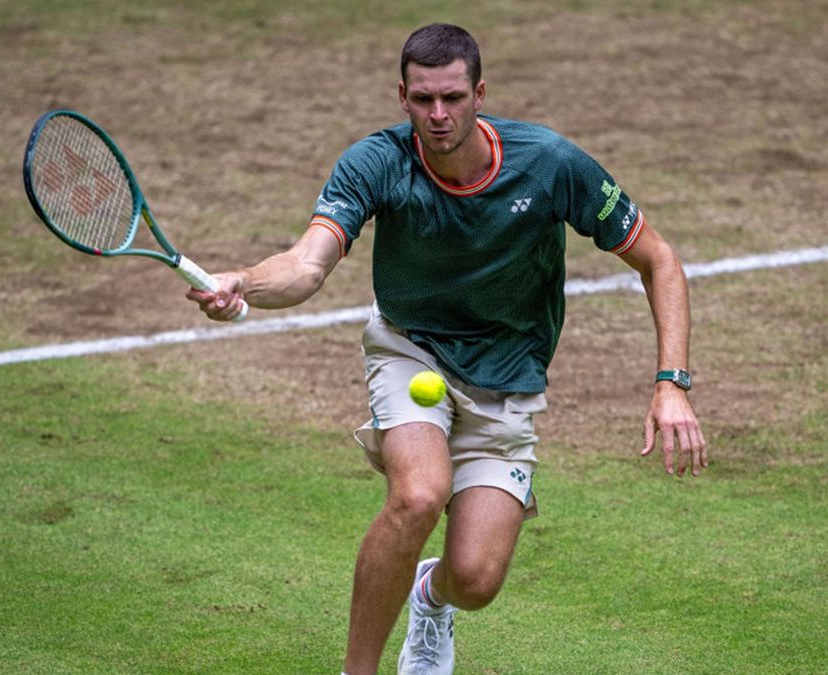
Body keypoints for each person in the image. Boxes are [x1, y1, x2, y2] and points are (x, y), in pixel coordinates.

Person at [188, 23, 706, 675]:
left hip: (508, 377)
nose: (438, 114)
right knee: (419, 495)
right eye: (423, 99)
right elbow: (308, 262)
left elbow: (659, 259)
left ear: (479, 94)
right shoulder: (375, 162)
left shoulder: (547, 163)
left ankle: (431, 598)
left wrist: (672, 381)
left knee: (478, 577)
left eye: (453, 98)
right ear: (402, 97)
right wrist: (246, 282)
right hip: (411, 350)